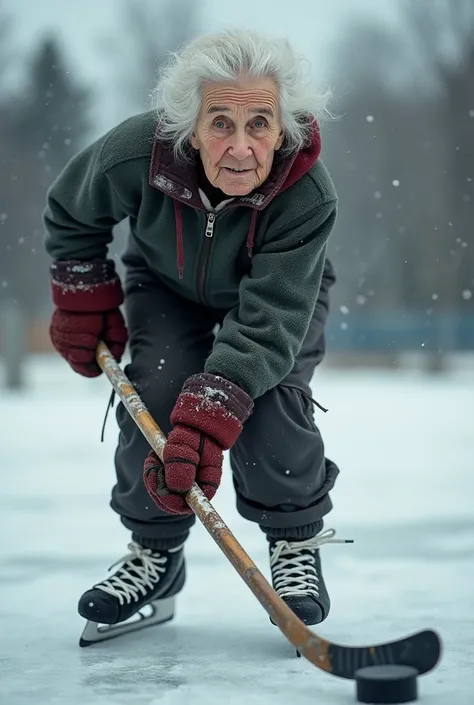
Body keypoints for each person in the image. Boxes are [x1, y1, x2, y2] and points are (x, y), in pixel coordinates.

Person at [43, 28, 345, 638]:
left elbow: (266, 327)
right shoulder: (137, 154)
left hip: (276, 297)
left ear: (284, 127)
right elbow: (72, 211)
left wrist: (215, 408)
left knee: (269, 401)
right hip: (167, 289)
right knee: (153, 392)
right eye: (220, 123)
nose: (240, 147)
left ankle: (293, 545)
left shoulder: (306, 194)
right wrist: (83, 296)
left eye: (260, 123)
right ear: (187, 125)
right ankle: (155, 555)